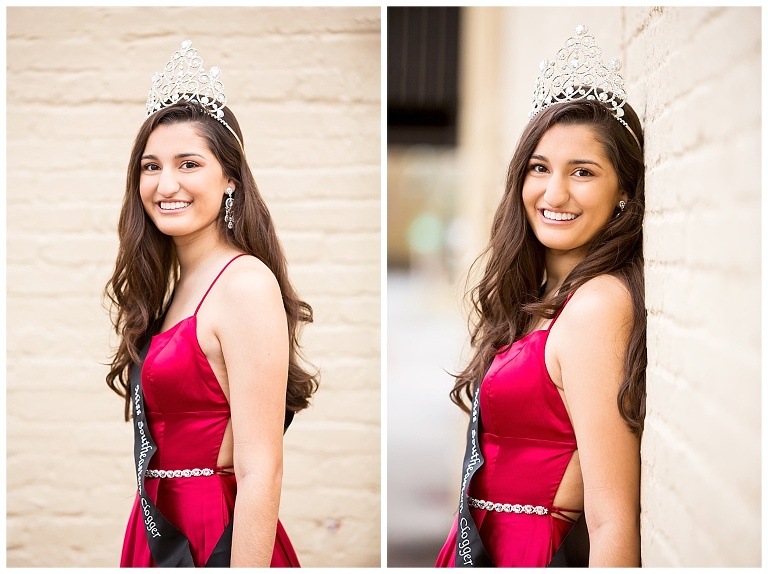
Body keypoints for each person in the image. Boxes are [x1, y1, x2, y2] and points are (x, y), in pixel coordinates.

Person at [434, 25, 646, 567]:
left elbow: (612, 517)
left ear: (623, 192)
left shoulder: (597, 306)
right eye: (540, 168)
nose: (555, 194)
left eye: (583, 172)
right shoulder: (543, 297)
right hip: (481, 547)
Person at [104, 40, 318, 567]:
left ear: (229, 181)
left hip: (210, 535)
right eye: (151, 166)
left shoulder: (244, 284)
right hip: (157, 525)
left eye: (189, 163)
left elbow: (260, 470)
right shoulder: (175, 288)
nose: (166, 183)